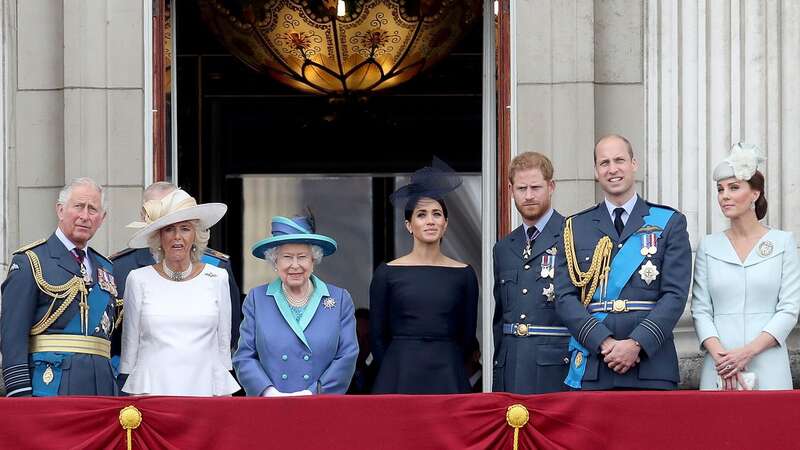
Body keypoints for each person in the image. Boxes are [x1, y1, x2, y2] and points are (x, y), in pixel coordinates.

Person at [554, 134, 691, 390]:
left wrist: (636, 344)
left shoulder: (669, 222)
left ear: (634, 164)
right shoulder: (575, 227)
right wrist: (604, 343)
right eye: (604, 163)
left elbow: (675, 295)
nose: (612, 169)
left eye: (619, 160)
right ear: (596, 171)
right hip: (595, 364)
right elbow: (564, 297)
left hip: (651, 365)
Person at [692, 143, 800, 390]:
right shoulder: (709, 246)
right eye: (720, 189)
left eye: (734, 188)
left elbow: (789, 309)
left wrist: (747, 352)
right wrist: (722, 357)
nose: (724, 196)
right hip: (720, 366)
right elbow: (700, 309)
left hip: (768, 362)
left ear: (755, 193)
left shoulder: (782, 242)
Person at [1, 177, 121, 397]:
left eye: (93, 209)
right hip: (50, 386)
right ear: (60, 210)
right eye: (79, 206)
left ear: (102, 219)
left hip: (102, 390)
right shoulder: (31, 261)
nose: (85, 216)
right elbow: (12, 335)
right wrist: (19, 392)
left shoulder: (107, 268)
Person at [370, 159, 479, 394]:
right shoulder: (387, 273)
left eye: (436, 214)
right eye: (421, 214)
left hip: (448, 374)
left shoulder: (465, 274)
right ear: (409, 225)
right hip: (399, 374)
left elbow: (467, 336)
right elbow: (377, 338)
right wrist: (396, 364)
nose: (430, 221)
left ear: (446, 223)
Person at [118, 188, 240, 396]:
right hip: (152, 394)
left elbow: (223, 352)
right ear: (159, 236)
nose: (177, 237)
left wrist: (223, 396)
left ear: (196, 235)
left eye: (185, 228)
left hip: (205, 393)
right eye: (169, 229)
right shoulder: (138, 279)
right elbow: (129, 353)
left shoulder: (217, 278)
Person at [234, 215, 358, 396]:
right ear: (275, 261)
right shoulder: (257, 299)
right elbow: (244, 357)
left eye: (302, 257)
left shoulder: (339, 300)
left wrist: (313, 393)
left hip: (321, 405)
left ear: (313, 261)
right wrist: (268, 392)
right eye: (286, 257)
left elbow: (347, 356)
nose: (295, 265)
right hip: (271, 407)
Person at [492, 151, 570, 394]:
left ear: (551, 186)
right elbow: (500, 320)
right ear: (510, 189)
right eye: (521, 188)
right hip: (511, 369)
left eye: (535, 187)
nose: (528, 196)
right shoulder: (504, 247)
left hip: (556, 369)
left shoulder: (573, 236)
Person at [347, 308, 377, 394]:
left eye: (367, 337)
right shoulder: (334, 372)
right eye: (357, 336)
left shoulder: (380, 375)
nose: (361, 343)